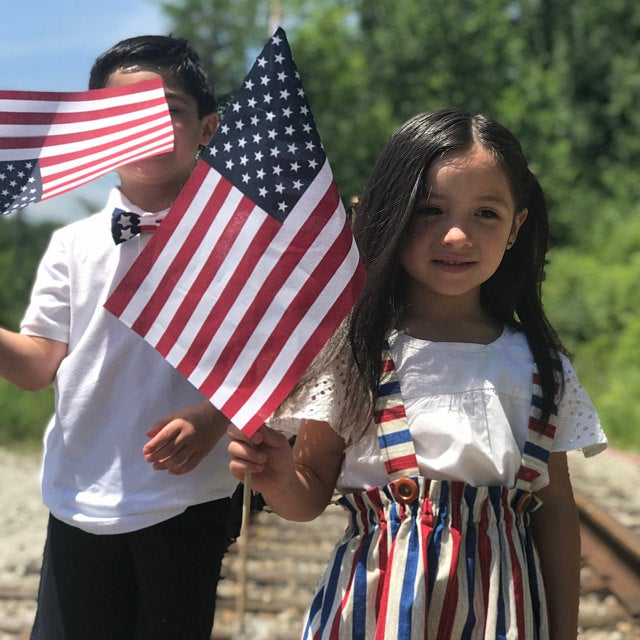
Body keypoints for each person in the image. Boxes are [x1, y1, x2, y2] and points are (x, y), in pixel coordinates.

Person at [227, 108, 608, 639]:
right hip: (376, 615)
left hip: (504, 616)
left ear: (517, 226)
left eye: (486, 214)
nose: (456, 236)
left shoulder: (537, 364)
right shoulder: (355, 350)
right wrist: (274, 472)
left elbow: (556, 512)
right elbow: (309, 493)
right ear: (392, 214)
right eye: (430, 210)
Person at [0, 36, 240, 639]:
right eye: (121, 114)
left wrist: (216, 416)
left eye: (168, 109)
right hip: (78, 493)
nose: (147, 127)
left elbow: (271, 354)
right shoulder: (73, 244)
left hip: (189, 498)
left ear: (207, 127)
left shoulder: (239, 238)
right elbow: (36, 366)